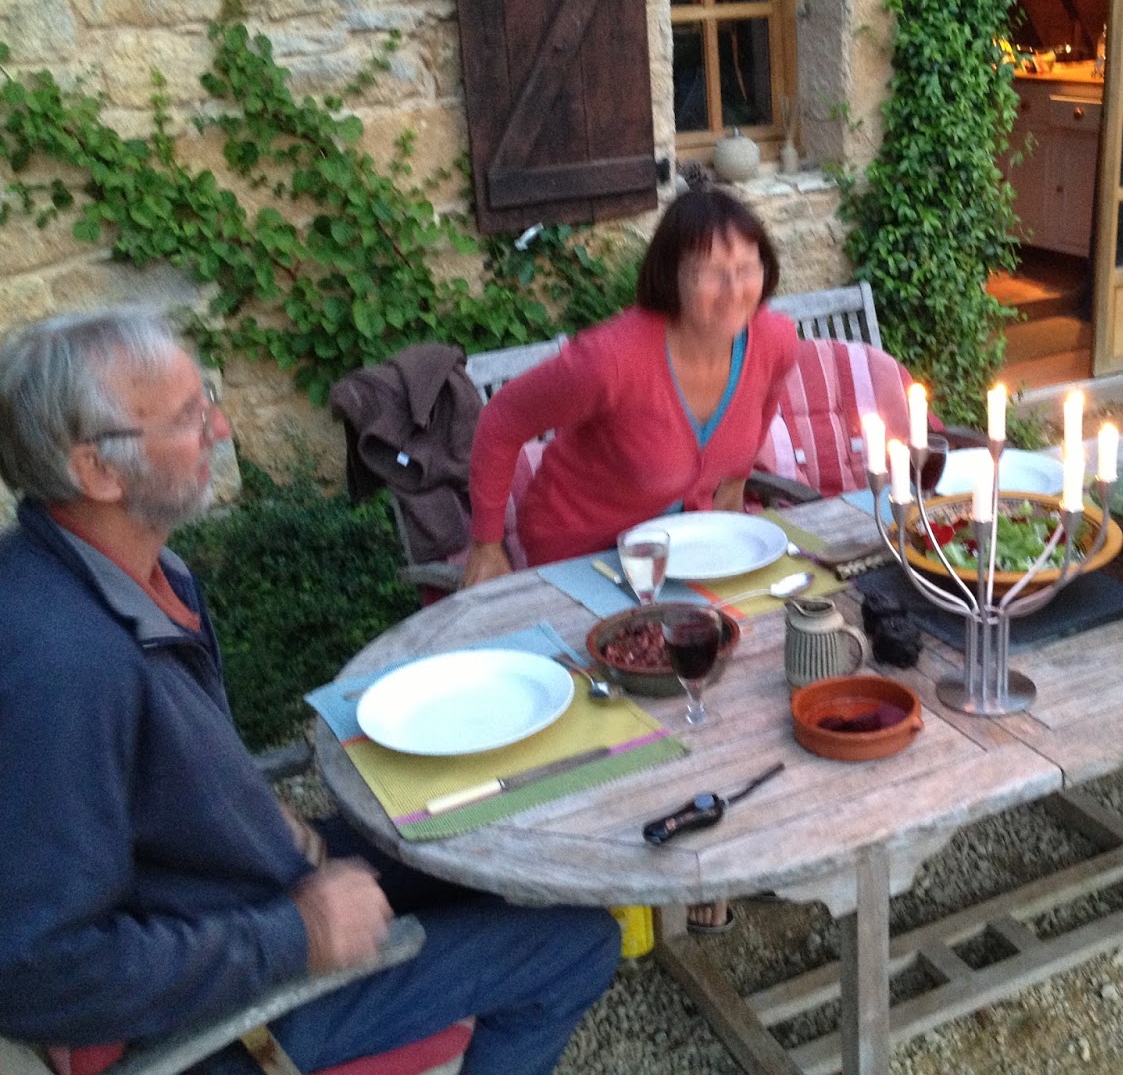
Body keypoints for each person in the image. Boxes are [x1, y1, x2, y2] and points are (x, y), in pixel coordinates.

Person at [0, 310, 619, 1074]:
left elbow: (167, 791)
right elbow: (34, 971)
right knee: (577, 944)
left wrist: (270, 829)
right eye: (189, 417)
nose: (222, 427)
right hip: (220, 1020)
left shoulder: (143, 576)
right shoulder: (58, 663)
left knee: (496, 833)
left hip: (242, 891)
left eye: (207, 403)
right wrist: (300, 934)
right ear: (97, 470)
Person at [462, 187, 800, 582]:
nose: (734, 290)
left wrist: (737, 477)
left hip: (684, 548)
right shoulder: (610, 361)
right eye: (710, 273)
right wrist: (487, 545)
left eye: (747, 269)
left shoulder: (775, 342)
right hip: (581, 555)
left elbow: (765, 401)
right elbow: (502, 420)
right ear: (671, 276)